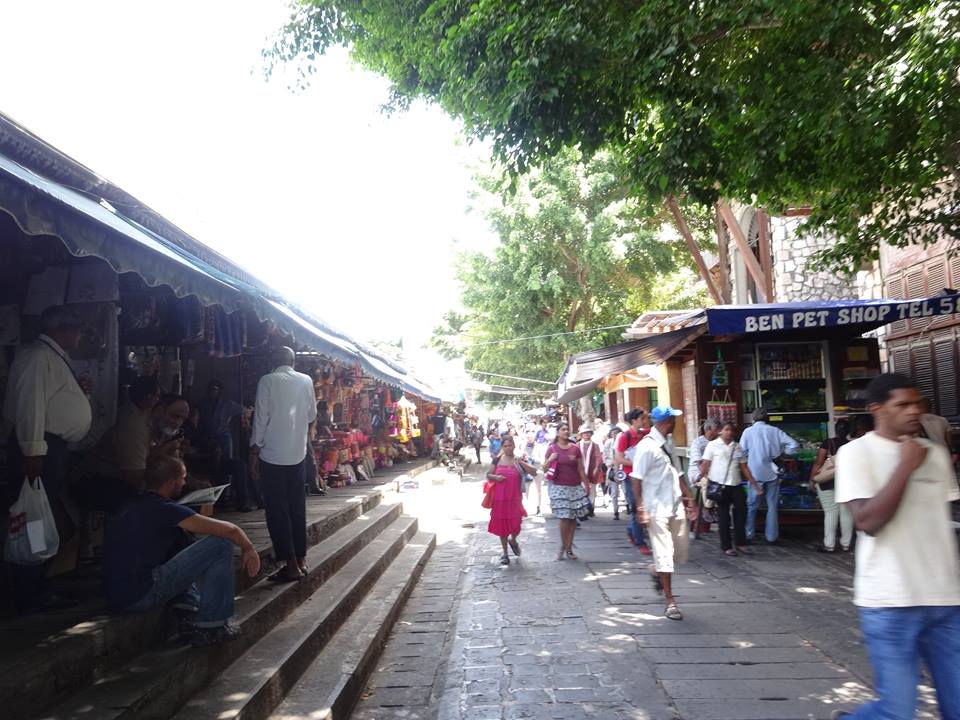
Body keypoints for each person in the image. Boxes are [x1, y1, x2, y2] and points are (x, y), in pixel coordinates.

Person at [833, 373, 960, 720]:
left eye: (916, 404)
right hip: (890, 601)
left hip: (946, 599)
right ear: (877, 409)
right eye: (902, 405)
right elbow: (868, 522)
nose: (914, 411)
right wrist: (905, 465)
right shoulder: (855, 453)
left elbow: (938, 519)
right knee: (897, 711)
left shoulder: (935, 454)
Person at [102, 455, 261, 646]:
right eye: (183, 478)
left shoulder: (132, 504)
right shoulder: (164, 509)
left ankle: (187, 606)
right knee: (221, 545)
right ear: (171, 483)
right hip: (141, 593)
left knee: (181, 540)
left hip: (116, 595)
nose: (185, 483)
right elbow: (230, 531)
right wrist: (248, 548)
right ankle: (212, 626)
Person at [2, 306, 92, 612]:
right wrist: (33, 451)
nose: (80, 336)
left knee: (42, 516)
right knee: (34, 518)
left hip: (49, 448)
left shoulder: (52, 357)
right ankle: (29, 591)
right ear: (62, 329)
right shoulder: (37, 357)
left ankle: (36, 584)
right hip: (39, 448)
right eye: (78, 329)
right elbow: (31, 406)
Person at [249, 346, 317, 583]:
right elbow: (311, 415)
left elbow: (260, 418)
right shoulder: (306, 380)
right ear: (293, 361)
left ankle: (290, 565)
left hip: (272, 454)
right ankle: (301, 560)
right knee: (297, 506)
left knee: (277, 510)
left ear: (272, 362)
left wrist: (254, 450)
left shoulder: (267, 381)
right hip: (297, 453)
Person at [631, 406, 693, 621]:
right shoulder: (646, 447)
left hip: (674, 505)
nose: (676, 423)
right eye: (673, 420)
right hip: (656, 508)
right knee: (665, 556)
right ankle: (670, 601)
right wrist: (641, 508)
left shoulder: (669, 442)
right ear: (667, 422)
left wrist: (689, 496)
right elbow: (636, 478)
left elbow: (678, 471)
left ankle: (657, 570)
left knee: (677, 552)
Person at [85, 375, 162, 507]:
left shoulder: (142, 415)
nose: (158, 400)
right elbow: (134, 478)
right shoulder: (133, 423)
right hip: (103, 483)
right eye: (157, 396)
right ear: (149, 398)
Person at [700, 422, 761, 557]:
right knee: (724, 516)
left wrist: (755, 484)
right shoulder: (712, 445)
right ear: (720, 431)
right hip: (720, 485)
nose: (729, 432)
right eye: (726, 430)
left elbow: (744, 467)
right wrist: (699, 477)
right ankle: (726, 546)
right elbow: (705, 463)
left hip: (736, 484)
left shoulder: (737, 447)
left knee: (741, 513)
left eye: (731, 430)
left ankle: (741, 542)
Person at [740, 407, 798, 544]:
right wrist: (783, 453)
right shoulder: (775, 431)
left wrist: (750, 456)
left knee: (752, 505)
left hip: (754, 473)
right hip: (772, 472)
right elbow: (794, 444)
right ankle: (771, 537)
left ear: (753, 418)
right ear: (767, 418)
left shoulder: (748, 432)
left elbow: (741, 452)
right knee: (772, 506)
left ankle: (749, 534)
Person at [485, 435, 535, 565]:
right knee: (502, 526)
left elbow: (534, 472)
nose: (508, 448)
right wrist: (496, 478)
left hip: (515, 498)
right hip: (500, 499)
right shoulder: (497, 460)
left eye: (510, 445)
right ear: (502, 447)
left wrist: (522, 463)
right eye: (505, 446)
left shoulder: (519, 460)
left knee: (516, 524)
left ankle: (513, 540)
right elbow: (488, 474)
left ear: (514, 446)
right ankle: (505, 553)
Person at [544, 422, 591, 560]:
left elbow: (580, 468)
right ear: (558, 432)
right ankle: (563, 546)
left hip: (575, 487)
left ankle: (569, 547)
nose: (566, 431)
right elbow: (544, 468)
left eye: (567, 429)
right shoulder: (552, 448)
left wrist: (587, 484)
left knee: (572, 518)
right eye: (563, 429)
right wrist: (550, 459)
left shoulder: (575, 449)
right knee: (564, 518)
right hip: (559, 487)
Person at [809, 418, 854, 553]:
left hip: (827, 481)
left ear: (835, 430)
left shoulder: (828, 443)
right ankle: (846, 544)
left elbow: (818, 462)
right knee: (846, 514)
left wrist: (813, 479)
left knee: (830, 512)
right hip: (846, 482)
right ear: (848, 431)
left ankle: (829, 544)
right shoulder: (852, 445)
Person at [614, 408, 651, 554]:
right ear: (634, 421)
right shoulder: (624, 437)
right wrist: (636, 463)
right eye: (642, 418)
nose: (645, 421)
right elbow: (619, 458)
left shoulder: (645, 434)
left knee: (645, 506)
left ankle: (631, 530)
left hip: (644, 476)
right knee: (636, 508)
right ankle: (640, 542)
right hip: (630, 477)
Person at [688, 418, 720, 539]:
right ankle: (708, 507)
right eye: (716, 429)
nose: (718, 432)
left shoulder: (718, 442)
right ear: (708, 429)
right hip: (698, 473)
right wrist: (708, 473)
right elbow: (700, 462)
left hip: (715, 473)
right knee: (707, 482)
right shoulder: (698, 443)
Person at [577, 424, 603, 517]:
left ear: (591, 434)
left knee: (592, 491)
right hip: (580, 472)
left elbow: (598, 457)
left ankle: (591, 508)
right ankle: (583, 508)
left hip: (592, 471)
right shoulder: (577, 445)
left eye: (588, 433)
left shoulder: (595, 445)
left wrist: (596, 468)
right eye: (584, 433)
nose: (586, 434)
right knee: (581, 490)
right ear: (581, 434)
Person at [603, 426, 623, 519]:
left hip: (623, 468)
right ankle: (616, 511)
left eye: (617, 433)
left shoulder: (623, 441)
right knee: (614, 492)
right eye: (613, 434)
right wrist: (609, 464)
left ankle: (629, 506)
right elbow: (605, 455)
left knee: (625, 490)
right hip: (612, 468)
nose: (615, 435)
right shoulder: (608, 443)